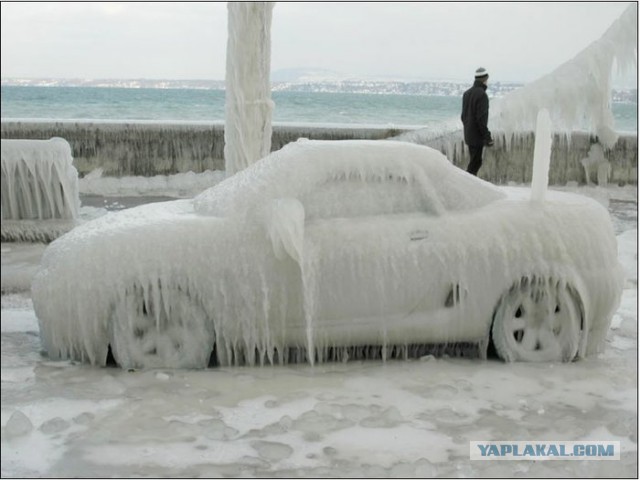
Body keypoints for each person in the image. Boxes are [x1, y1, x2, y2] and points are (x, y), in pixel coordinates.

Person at [461, 67, 494, 176]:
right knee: (475, 164)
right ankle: (467, 186)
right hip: (477, 137)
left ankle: (468, 184)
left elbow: (463, 116)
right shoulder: (482, 95)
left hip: (468, 135)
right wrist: (487, 137)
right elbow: (481, 120)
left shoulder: (466, 94)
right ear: (485, 79)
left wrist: (468, 128)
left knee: (474, 162)